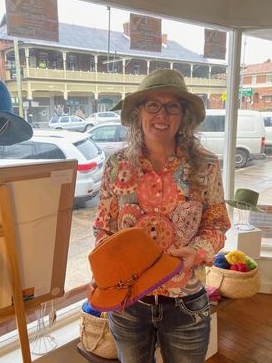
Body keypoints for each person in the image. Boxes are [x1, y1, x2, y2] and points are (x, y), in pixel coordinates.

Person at [92, 68, 231, 363]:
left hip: (186, 302)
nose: (162, 115)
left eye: (172, 106)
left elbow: (217, 224)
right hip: (129, 302)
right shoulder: (116, 165)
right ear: (139, 112)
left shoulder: (206, 165)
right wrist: (103, 275)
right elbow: (103, 229)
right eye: (153, 104)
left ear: (184, 116)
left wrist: (195, 251)